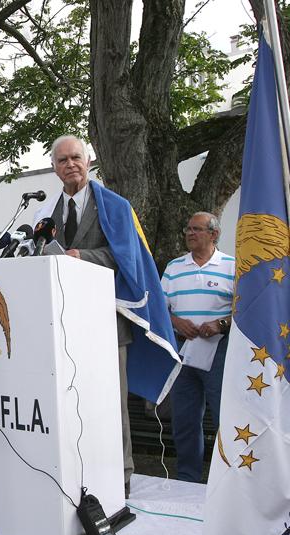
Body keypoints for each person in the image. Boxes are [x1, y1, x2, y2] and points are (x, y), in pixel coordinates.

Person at [35, 134, 141, 493]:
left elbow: (127, 260)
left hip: (107, 325)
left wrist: (82, 257)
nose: (70, 165)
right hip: (65, 328)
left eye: (75, 158)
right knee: (72, 404)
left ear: (89, 160)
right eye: (62, 160)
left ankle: (121, 474)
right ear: (53, 168)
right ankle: (78, 473)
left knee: (112, 404)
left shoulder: (115, 206)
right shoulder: (45, 215)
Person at [161, 212, 233, 483]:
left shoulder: (233, 266)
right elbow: (160, 309)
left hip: (221, 352)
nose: (190, 233)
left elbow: (246, 312)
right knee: (185, 421)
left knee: (224, 419)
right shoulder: (174, 267)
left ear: (214, 234)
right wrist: (177, 322)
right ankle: (188, 480)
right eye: (187, 229)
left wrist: (222, 323)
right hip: (183, 352)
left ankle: (225, 481)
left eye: (197, 229)